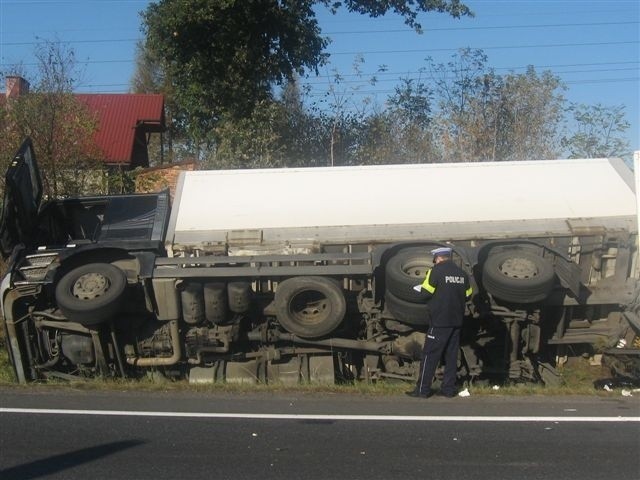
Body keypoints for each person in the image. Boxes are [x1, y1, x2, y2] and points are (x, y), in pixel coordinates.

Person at [406, 247, 472, 398]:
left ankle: (422, 390)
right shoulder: (462, 274)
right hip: (456, 322)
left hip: (439, 321)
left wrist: (419, 290)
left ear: (438, 258)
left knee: (430, 356)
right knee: (451, 357)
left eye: (434, 259)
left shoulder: (435, 271)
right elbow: (468, 295)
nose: (434, 261)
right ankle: (448, 390)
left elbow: (425, 293)